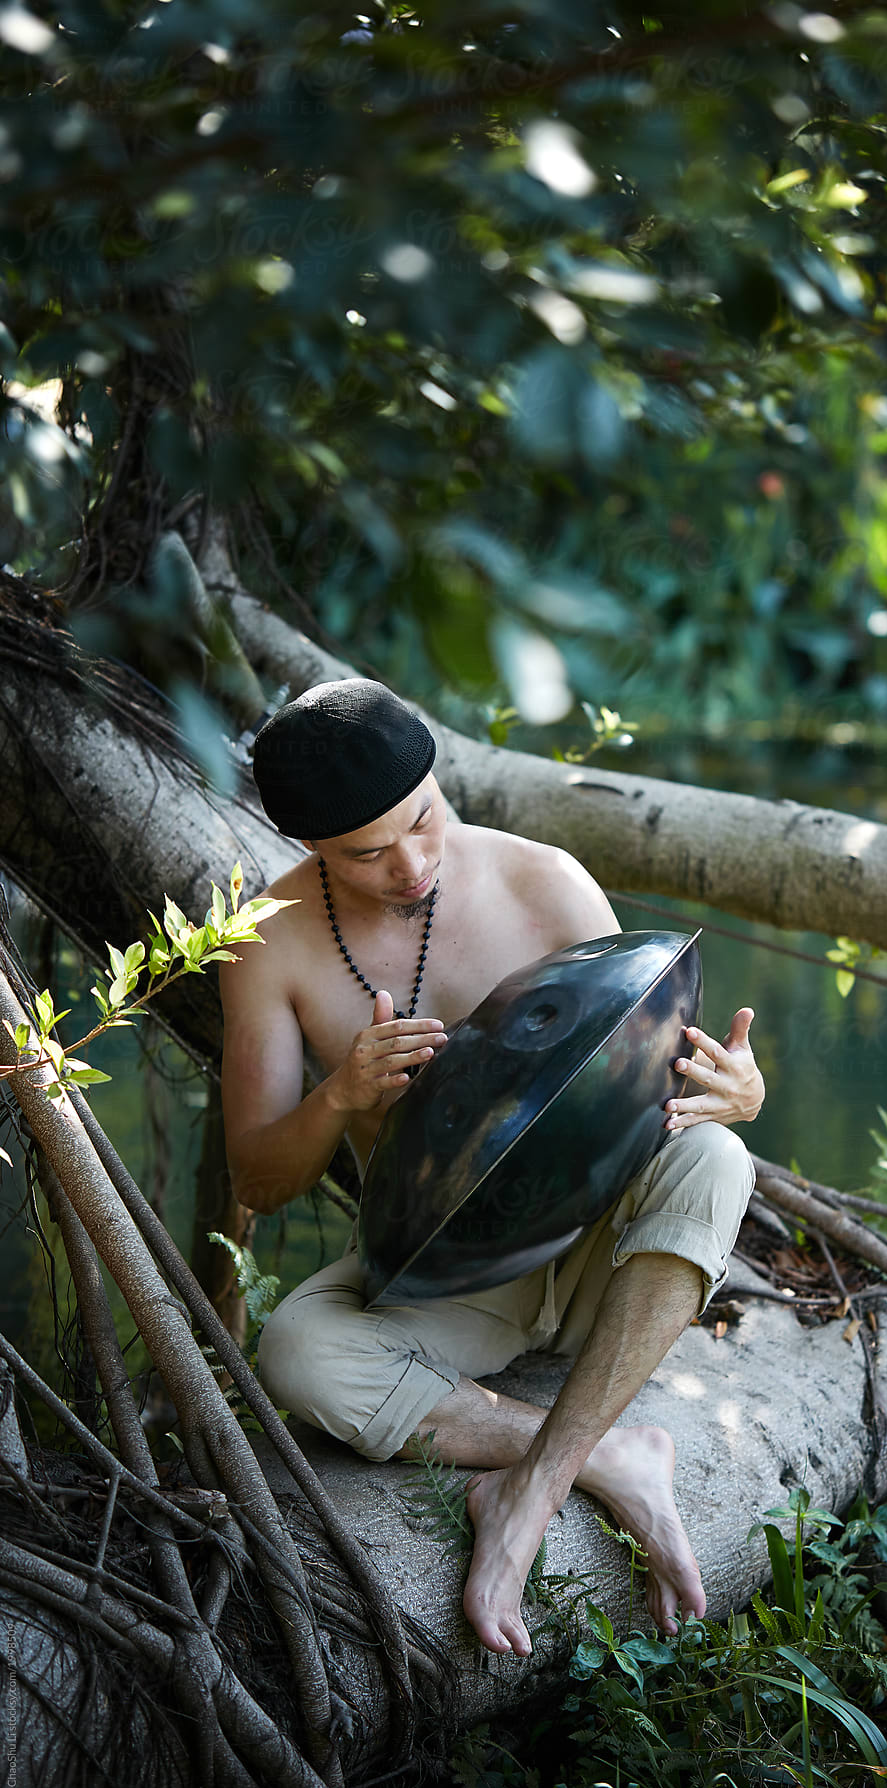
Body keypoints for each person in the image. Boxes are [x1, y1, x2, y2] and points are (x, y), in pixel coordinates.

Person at [220, 678, 764, 1657]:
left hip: (595, 1241)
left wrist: (739, 1093)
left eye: (423, 821)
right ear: (311, 846)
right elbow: (258, 1179)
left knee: (720, 1157)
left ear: (437, 781)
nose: (414, 863)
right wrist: (340, 1096)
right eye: (369, 853)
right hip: (449, 1275)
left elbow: (668, 1089)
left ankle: (540, 1481)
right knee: (297, 1348)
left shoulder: (544, 881)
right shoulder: (267, 944)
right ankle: (607, 1456)